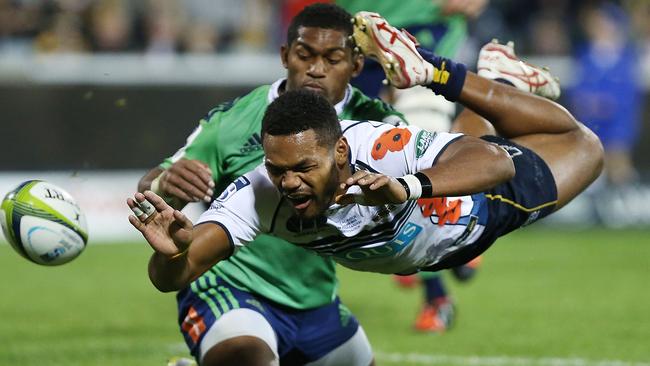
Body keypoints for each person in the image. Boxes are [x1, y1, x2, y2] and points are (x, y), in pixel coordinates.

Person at [130, 6, 603, 345]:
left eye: (303, 168)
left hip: (474, 212)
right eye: (277, 169)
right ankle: (497, 80)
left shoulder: (372, 138)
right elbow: (176, 271)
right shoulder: (255, 186)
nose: (289, 182)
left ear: (339, 150)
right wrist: (171, 253)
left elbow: (491, 162)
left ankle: (449, 73)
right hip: (302, 281)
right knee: (436, 129)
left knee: (581, 144)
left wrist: (409, 186)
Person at [136, 4, 407, 366]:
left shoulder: (379, 125)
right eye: (304, 55)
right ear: (285, 55)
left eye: (332, 58)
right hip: (230, 286)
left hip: (317, 298)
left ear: (356, 66)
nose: (316, 69)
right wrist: (166, 184)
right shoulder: (234, 121)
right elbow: (152, 189)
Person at [338, 0, 489, 333]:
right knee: (357, 162)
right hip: (353, 35)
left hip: (422, 35)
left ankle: (442, 283)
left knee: (415, 162)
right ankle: (459, 231)